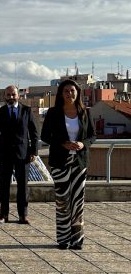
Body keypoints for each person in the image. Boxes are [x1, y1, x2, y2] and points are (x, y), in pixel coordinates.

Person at [41, 79, 96, 250]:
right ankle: (63, 239)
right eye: (66, 91)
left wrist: (82, 144)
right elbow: (45, 136)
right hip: (60, 162)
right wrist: (62, 143)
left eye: (72, 90)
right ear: (61, 94)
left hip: (79, 162)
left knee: (78, 201)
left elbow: (92, 136)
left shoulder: (85, 112)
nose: (69, 93)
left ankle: (77, 239)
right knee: (63, 201)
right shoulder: (53, 112)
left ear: (77, 92)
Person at [0, 85, 38, 224]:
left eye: (13, 94)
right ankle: (3, 215)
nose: (11, 97)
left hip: (23, 155)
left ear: (18, 95)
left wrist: (33, 151)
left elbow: (34, 133)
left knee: (23, 187)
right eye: (8, 95)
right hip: (4, 154)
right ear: (4, 96)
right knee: (3, 186)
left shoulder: (27, 111)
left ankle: (23, 215)